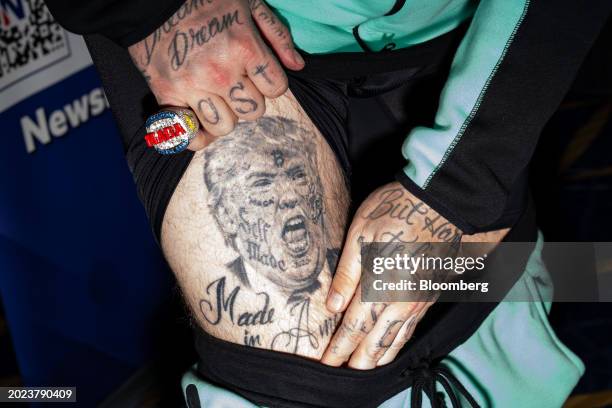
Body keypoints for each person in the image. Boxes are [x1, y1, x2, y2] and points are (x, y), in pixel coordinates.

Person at [43, 0, 612, 406]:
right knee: (320, 372)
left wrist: (458, 191)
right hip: (228, 40)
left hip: (454, 37)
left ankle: (564, 270)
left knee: (481, 271)